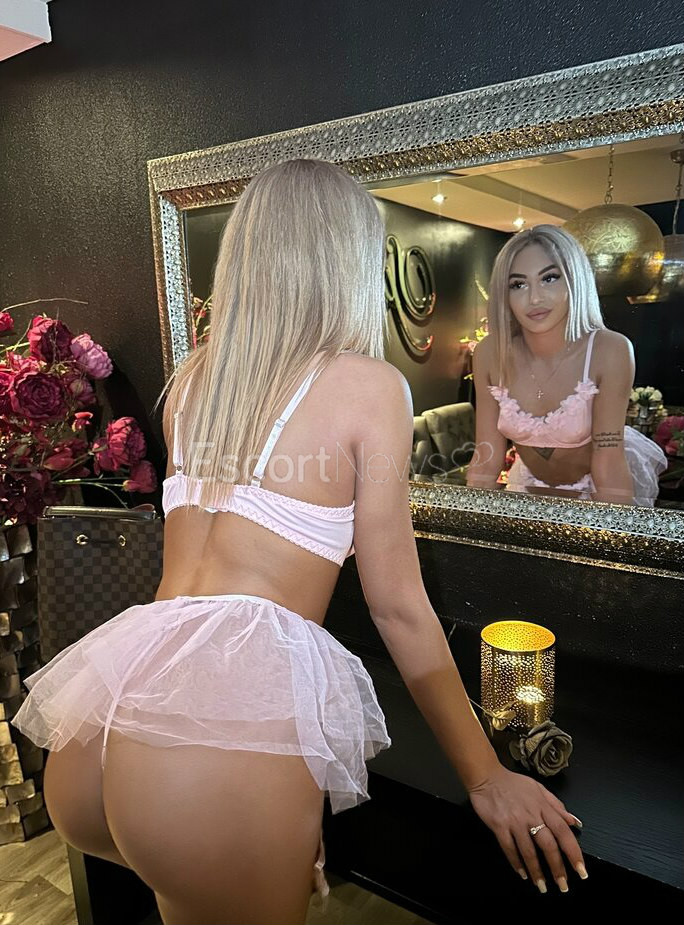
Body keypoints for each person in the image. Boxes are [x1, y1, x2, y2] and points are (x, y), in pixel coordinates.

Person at [13, 162, 585, 925]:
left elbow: (194, 583)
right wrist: (486, 777)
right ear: (346, 261)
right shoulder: (369, 387)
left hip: (104, 727)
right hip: (202, 758)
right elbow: (399, 608)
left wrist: (265, 793)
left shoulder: (195, 380)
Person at [467, 224, 667, 503]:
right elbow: (486, 455)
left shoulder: (609, 350)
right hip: (528, 487)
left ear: (574, 279)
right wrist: (468, 517)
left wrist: (611, 527)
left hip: (596, 490)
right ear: (504, 293)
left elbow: (608, 460)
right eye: (518, 284)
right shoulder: (490, 352)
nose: (534, 298)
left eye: (549, 278)